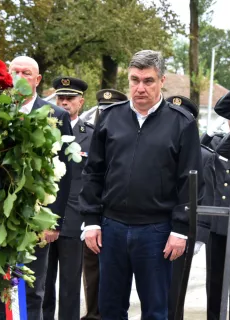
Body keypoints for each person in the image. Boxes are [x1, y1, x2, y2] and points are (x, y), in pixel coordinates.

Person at [79, 50, 203, 319]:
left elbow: (191, 180)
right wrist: (91, 220)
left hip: (156, 232)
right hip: (111, 229)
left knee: (156, 311)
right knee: (110, 308)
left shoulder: (182, 123)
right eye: (134, 80)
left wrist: (181, 229)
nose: (140, 88)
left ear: (162, 81)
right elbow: (93, 172)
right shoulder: (110, 118)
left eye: (148, 81)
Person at [8, 56, 73, 320]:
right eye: (15, 71)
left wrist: (53, 222)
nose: (20, 76)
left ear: (37, 80)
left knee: (32, 287)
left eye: (27, 72)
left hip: (36, 219)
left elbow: (65, 173)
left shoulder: (55, 116)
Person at [164, 95, 217, 320]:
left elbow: (205, 196)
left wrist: (199, 235)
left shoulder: (204, 155)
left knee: (174, 290)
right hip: (152, 224)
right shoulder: (156, 145)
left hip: (182, 229)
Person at [42, 76, 90, 320]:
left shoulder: (91, 135)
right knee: (42, 285)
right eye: (60, 98)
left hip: (74, 220)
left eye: (70, 98)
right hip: (42, 218)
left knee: (70, 287)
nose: (64, 102)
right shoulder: (42, 128)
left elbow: (91, 180)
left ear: (80, 102)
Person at [81, 88, 129, 320]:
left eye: (108, 110)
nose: (104, 113)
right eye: (101, 109)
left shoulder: (126, 134)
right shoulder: (86, 133)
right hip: (90, 215)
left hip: (116, 215)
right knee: (91, 272)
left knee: (116, 279)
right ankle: (92, 315)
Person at [199, 121, 230, 320]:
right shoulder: (217, 141)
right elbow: (199, 154)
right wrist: (207, 135)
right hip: (219, 219)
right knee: (215, 280)